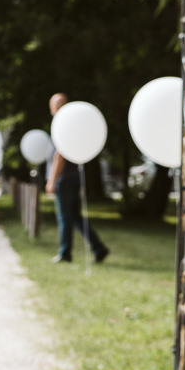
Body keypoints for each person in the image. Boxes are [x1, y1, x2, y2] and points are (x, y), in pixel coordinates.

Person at [45, 92, 109, 264]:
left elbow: (60, 155)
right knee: (75, 218)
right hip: (73, 178)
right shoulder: (73, 123)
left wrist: (52, 180)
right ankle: (99, 247)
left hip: (64, 180)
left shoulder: (62, 125)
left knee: (65, 218)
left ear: (55, 107)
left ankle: (65, 253)